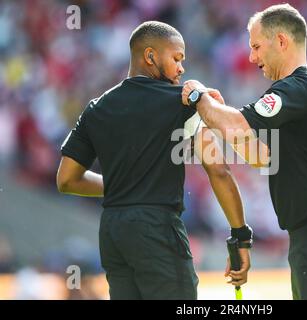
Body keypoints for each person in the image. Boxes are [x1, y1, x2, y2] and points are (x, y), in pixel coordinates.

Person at [56, 21, 252, 300]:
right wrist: (239, 235)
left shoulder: (95, 108)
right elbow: (218, 169)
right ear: (150, 56)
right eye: (177, 58)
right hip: (157, 229)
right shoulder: (182, 102)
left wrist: (125, 185)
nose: (182, 68)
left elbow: (66, 179)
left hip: (113, 232)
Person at [182, 4, 307, 300]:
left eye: (256, 46)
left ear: (281, 41)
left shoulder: (298, 89)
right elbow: (259, 155)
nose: (252, 57)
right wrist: (215, 115)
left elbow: (239, 127)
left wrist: (198, 97)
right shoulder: (302, 94)